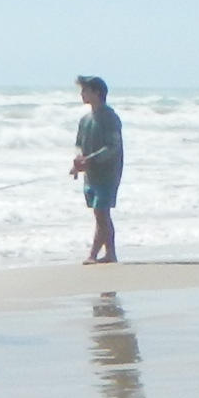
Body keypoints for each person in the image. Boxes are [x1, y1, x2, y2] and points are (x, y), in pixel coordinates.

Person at [70, 75, 123, 264]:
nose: (82, 94)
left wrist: (90, 160)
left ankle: (94, 254)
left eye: (85, 90)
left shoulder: (110, 117)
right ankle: (110, 253)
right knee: (99, 213)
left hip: (107, 173)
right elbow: (79, 145)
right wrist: (78, 162)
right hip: (90, 175)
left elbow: (113, 146)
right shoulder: (85, 120)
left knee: (102, 212)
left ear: (97, 92)